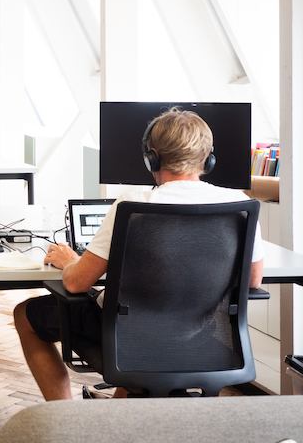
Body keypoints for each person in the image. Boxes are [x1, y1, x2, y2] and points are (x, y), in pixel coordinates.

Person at [13, 108, 265, 400]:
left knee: (25, 315)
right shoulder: (238, 204)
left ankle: (66, 420)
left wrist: (70, 260)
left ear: (152, 158)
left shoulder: (134, 205)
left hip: (129, 343)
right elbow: (253, 281)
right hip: (200, 341)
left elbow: (76, 283)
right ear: (208, 158)